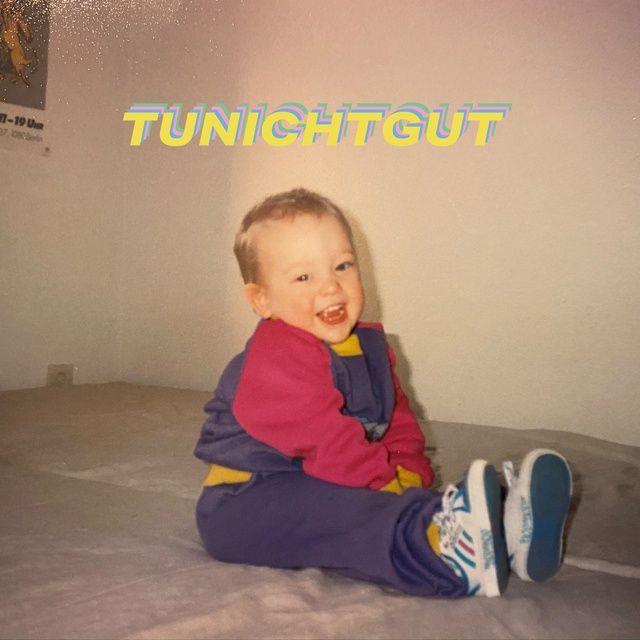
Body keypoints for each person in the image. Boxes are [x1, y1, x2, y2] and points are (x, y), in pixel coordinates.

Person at [193, 188, 572, 597]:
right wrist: (386, 484)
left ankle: (504, 529)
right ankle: (444, 555)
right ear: (261, 299)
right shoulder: (274, 356)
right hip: (246, 501)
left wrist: (411, 476)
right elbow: (328, 442)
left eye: (342, 266)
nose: (331, 287)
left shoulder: (370, 349)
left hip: (328, 476)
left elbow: (397, 423)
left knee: (373, 503)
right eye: (304, 277)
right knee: (344, 515)